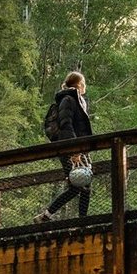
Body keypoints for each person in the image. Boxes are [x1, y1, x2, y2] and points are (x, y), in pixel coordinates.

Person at [34, 70, 93, 222]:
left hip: (77, 148)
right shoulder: (68, 99)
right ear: (79, 84)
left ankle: (48, 216)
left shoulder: (77, 100)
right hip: (70, 149)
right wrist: (74, 151)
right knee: (82, 184)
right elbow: (66, 125)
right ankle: (81, 221)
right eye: (84, 82)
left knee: (82, 184)